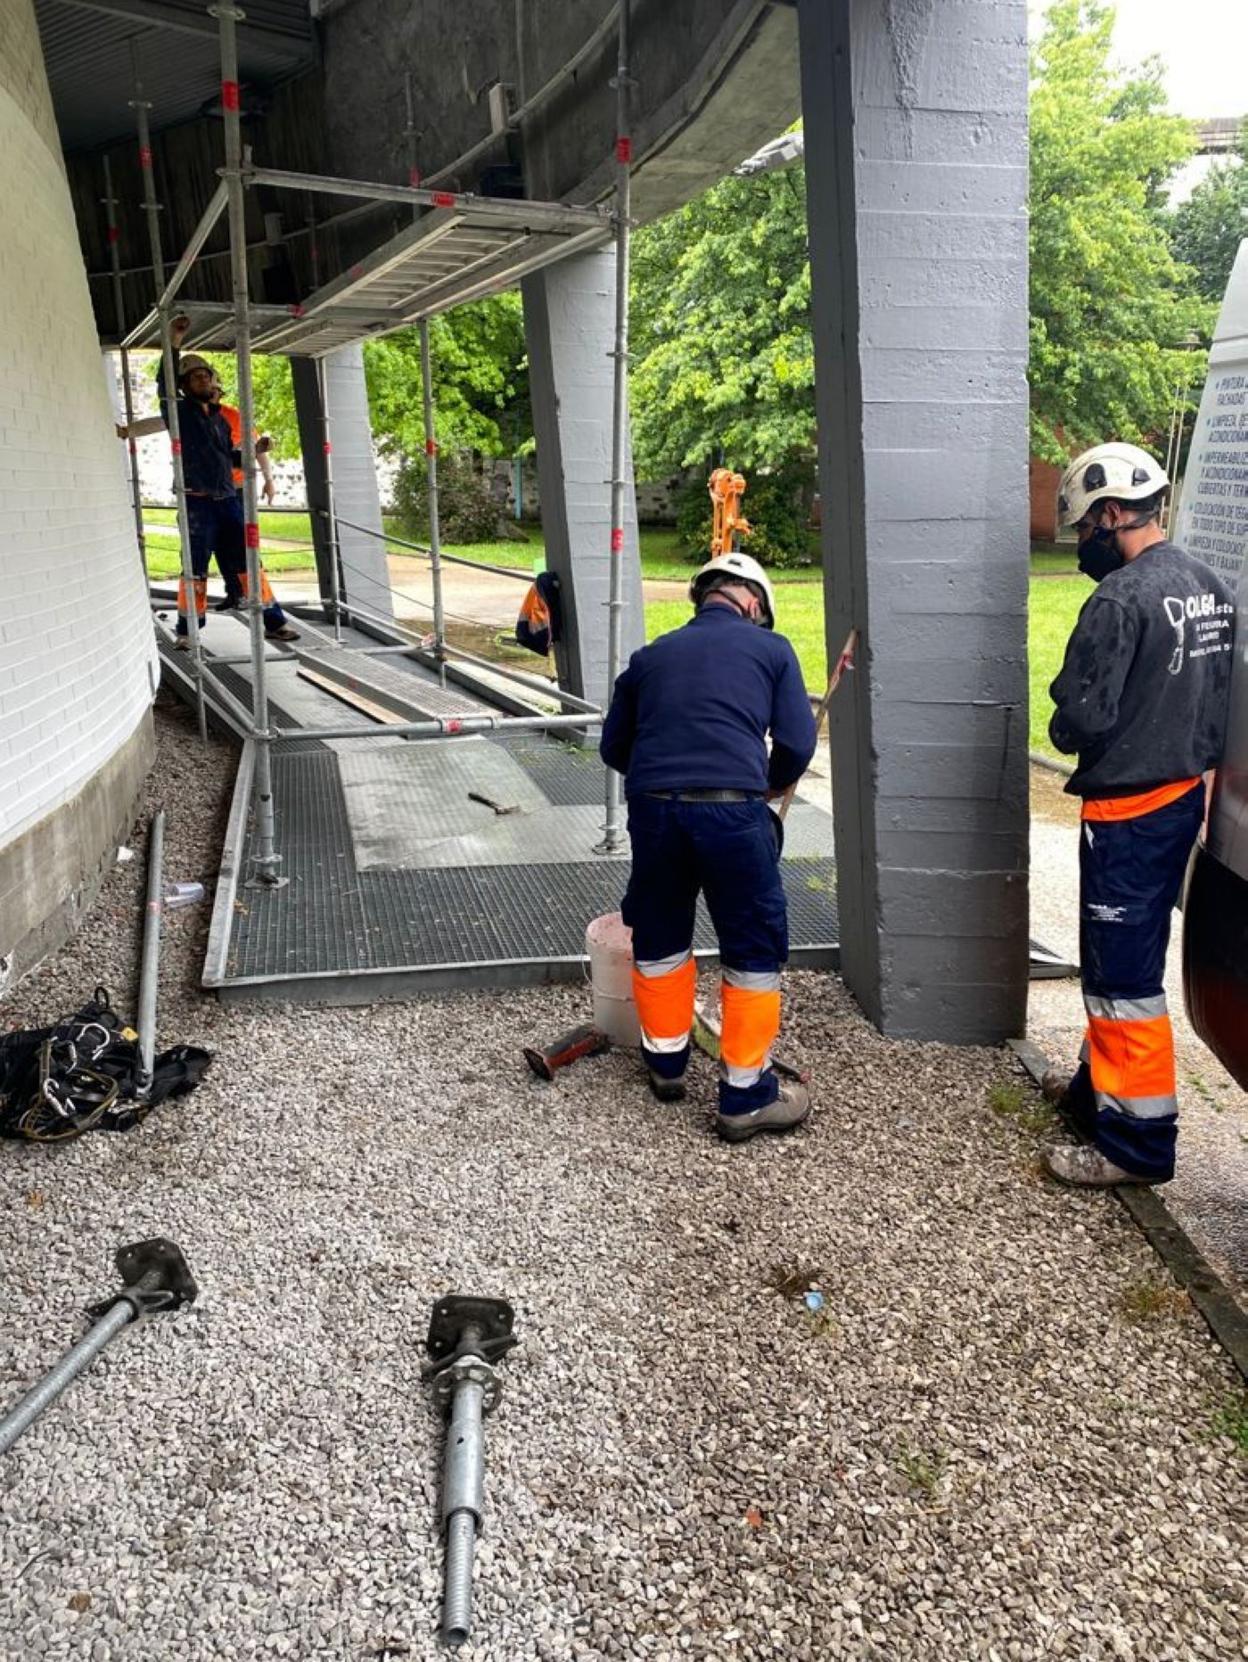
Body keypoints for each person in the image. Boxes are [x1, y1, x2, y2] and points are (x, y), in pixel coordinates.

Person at [1043, 442, 1235, 1187]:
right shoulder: (1208, 584)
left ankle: (1136, 1147)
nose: (1086, 542)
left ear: (1115, 512)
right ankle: (1099, 1097)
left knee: (1120, 978)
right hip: (1183, 799)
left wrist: (1065, 725)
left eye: (1087, 526)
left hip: (1127, 810)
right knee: (1133, 957)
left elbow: (1081, 719)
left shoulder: (1119, 600)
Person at [599, 551, 818, 1143]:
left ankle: (666, 1066)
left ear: (705, 597)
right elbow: (798, 743)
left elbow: (614, 748)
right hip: (733, 812)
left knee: (661, 933)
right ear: (752, 601)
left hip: (655, 813)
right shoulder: (773, 651)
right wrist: (764, 784)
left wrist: (662, 779)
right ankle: (746, 1095)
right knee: (752, 944)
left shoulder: (649, 658)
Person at [156, 317, 297, 646]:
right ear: (184, 386)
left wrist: (254, 452)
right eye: (195, 377)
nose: (203, 380)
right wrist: (173, 341)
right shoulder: (180, 414)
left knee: (249, 562)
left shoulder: (220, 420)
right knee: (195, 568)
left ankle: (273, 621)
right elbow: (163, 383)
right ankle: (188, 631)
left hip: (226, 500)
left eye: (206, 375)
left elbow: (227, 459)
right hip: (197, 502)